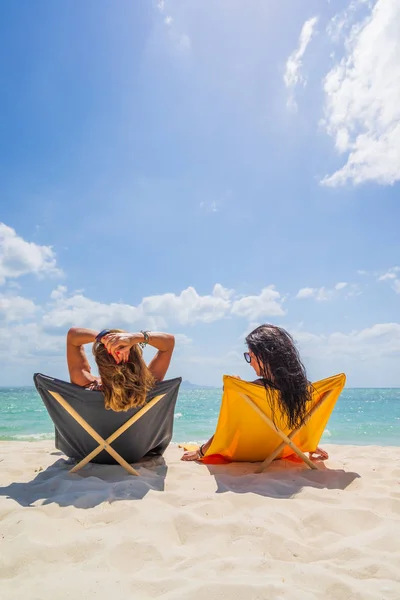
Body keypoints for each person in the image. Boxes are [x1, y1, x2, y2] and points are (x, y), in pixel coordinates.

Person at [181, 323, 328, 461]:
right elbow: (294, 426)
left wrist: (200, 451)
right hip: (279, 451)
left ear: (266, 357)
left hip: (246, 454)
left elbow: (227, 428)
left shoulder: (252, 391)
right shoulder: (302, 390)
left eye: (250, 356)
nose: (250, 362)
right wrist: (306, 445)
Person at [66, 327, 175, 411]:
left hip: (91, 441)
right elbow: (169, 342)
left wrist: (105, 338)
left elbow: (73, 335)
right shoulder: (148, 385)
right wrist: (136, 337)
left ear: (100, 362)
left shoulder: (84, 384)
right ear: (136, 358)